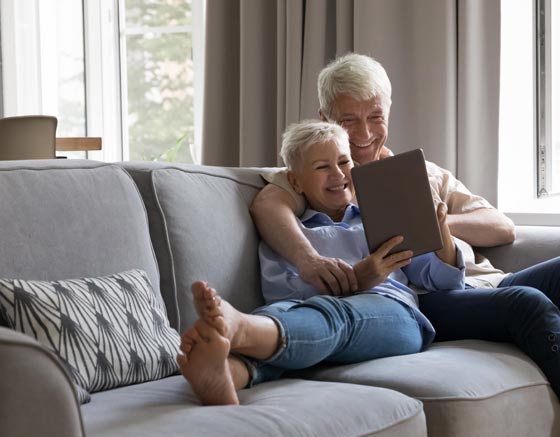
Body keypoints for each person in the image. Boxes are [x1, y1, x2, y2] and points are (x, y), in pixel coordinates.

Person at [249, 53, 560, 424]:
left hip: (479, 283)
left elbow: (501, 226)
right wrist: (310, 261)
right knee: (526, 304)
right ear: (326, 118)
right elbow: (269, 205)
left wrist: (434, 222)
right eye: (348, 119)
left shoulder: (418, 172)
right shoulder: (322, 175)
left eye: (374, 116)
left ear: (389, 112)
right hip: (423, 298)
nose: (363, 133)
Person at [177, 120, 465, 405]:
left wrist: (442, 231)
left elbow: (446, 281)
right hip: (304, 317)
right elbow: (284, 294)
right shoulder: (291, 235)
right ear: (295, 181)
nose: (338, 174)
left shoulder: (378, 219)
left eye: (344, 162)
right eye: (322, 167)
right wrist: (354, 279)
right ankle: (227, 372)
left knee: (331, 316)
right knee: (280, 313)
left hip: (393, 313)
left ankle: (241, 328)